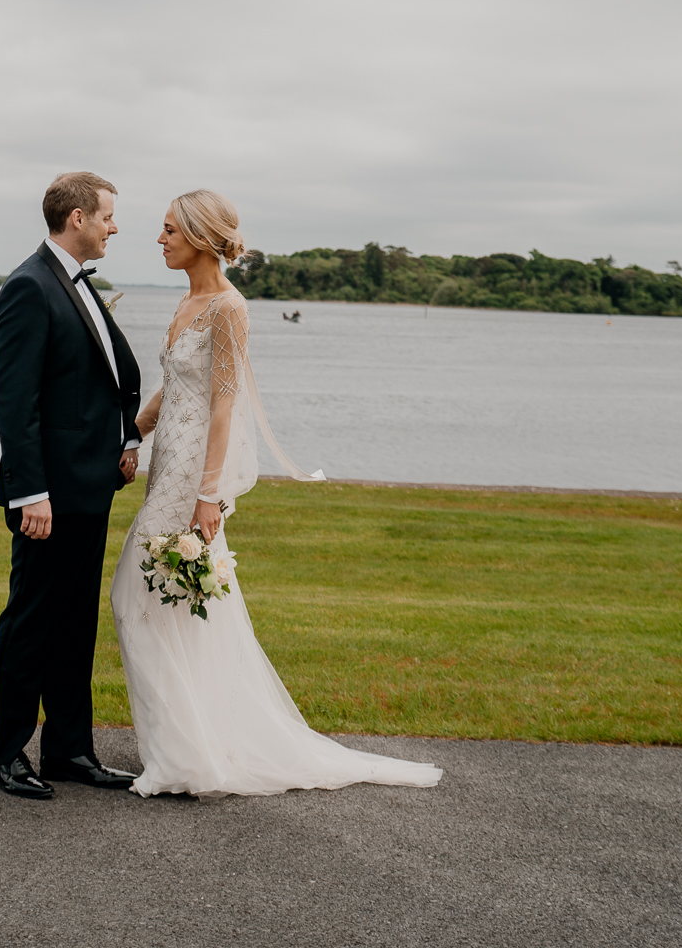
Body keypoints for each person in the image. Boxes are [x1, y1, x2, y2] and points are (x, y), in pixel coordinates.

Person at [111, 189, 442, 797]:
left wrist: (209, 494)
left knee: (139, 592)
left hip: (192, 479)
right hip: (165, 466)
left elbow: (223, 406)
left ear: (201, 236)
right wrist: (125, 437)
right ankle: (185, 747)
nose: (158, 240)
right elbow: (171, 390)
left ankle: (190, 755)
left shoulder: (229, 309)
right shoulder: (187, 300)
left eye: (167, 231)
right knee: (161, 603)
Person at [0, 172, 144, 799]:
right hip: (47, 496)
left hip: (89, 488)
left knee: (76, 622)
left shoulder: (75, 284)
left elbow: (100, 380)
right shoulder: (30, 286)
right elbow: (14, 400)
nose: (114, 227)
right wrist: (31, 492)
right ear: (77, 218)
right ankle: (6, 756)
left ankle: (69, 749)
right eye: (108, 216)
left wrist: (127, 439)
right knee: (32, 621)